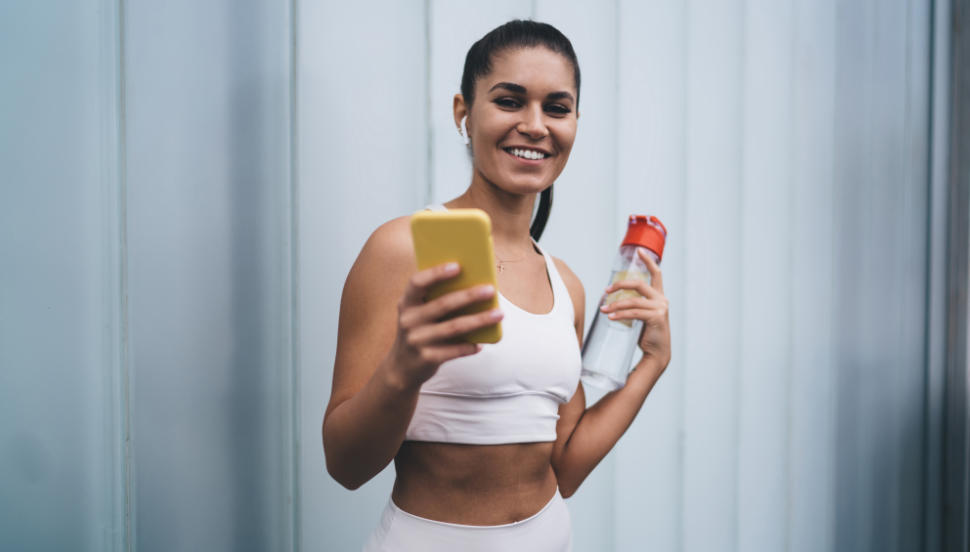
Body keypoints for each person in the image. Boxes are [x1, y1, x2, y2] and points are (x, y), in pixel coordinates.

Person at [323, 20, 671, 551]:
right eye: (510, 101)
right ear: (464, 114)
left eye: (557, 107)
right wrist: (403, 370)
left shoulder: (567, 286)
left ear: (575, 121)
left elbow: (565, 468)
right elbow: (344, 466)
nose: (535, 125)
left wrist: (651, 364)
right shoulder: (403, 249)